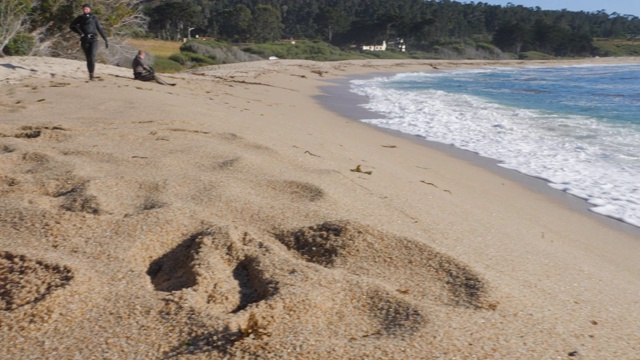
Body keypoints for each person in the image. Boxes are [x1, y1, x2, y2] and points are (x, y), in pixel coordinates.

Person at [69, 3, 108, 80]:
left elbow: (99, 28)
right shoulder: (80, 18)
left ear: (90, 9)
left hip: (94, 39)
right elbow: (72, 26)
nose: (85, 10)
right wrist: (80, 33)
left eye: (87, 8)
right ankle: (91, 74)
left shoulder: (94, 18)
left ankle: (92, 73)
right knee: (88, 58)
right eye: (84, 9)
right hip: (85, 40)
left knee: (92, 56)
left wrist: (105, 39)